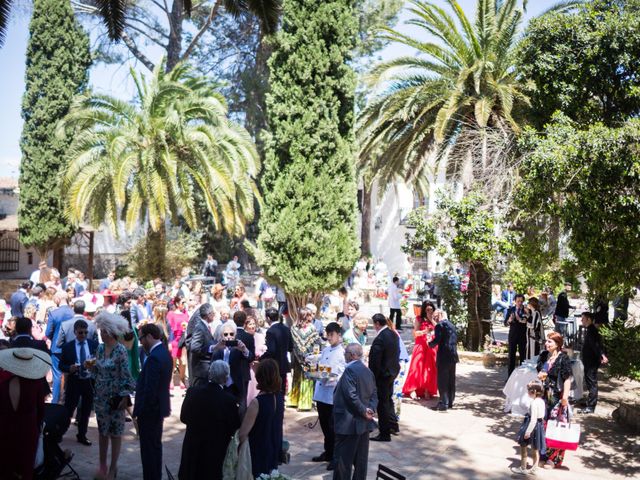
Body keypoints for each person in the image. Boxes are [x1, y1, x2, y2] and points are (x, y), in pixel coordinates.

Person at [178, 361, 241, 480]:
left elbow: (184, 417)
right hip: (215, 453)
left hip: (192, 448)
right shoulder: (229, 400)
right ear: (226, 378)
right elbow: (234, 427)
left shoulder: (192, 392)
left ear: (210, 373)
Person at [92, 312, 136, 480]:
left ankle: (113, 467)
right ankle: (102, 465)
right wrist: (91, 368)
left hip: (116, 399)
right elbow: (97, 370)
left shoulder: (121, 351)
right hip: (100, 398)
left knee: (116, 434)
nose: (101, 334)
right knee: (102, 433)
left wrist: (125, 398)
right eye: (101, 331)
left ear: (111, 332)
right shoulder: (100, 348)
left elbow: (127, 376)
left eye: (103, 331)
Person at [0, 347, 50, 480]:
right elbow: (41, 411)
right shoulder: (36, 384)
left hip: (5, 430)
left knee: (6, 468)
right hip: (28, 431)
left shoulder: (3, 384)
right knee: (26, 470)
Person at [133, 324, 173, 480]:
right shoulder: (163, 352)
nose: (141, 342)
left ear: (149, 336)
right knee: (155, 447)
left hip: (150, 411)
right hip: (158, 409)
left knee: (149, 450)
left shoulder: (155, 357)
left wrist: (140, 411)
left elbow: (150, 389)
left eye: (142, 338)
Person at [332, 343, 377, 480]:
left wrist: (364, 411)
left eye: (346, 353)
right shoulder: (367, 371)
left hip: (349, 423)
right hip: (363, 422)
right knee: (361, 460)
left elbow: (351, 396)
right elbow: (374, 394)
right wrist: (371, 409)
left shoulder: (349, 371)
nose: (344, 355)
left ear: (352, 355)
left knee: (343, 460)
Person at [239, 359, 285, 479]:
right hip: (274, 447)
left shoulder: (257, 402)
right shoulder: (279, 397)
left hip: (259, 450)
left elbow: (243, 433)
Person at [311, 322, 346, 470]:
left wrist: (332, 379)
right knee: (325, 426)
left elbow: (342, 373)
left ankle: (336, 457)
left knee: (333, 427)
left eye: (332, 335)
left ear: (338, 335)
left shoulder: (342, 353)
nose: (329, 337)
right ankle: (328, 451)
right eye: (328, 334)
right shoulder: (326, 350)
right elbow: (321, 368)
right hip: (321, 393)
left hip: (333, 395)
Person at [536, 332, 573, 468]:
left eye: (550, 342)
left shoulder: (563, 358)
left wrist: (565, 397)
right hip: (544, 396)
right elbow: (539, 373)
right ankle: (543, 455)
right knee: (542, 425)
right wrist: (541, 375)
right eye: (547, 341)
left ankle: (553, 459)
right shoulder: (544, 356)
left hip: (557, 397)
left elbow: (567, 378)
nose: (547, 344)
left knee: (555, 427)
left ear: (557, 344)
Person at [60, 319, 98, 446]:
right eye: (81, 332)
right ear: (75, 332)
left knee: (86, 410)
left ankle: (82, 434)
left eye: (85, 332)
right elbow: (61, 365)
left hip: (88, 381)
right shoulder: (68, 347)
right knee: (69, 408)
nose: (83, 335)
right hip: (74, 380)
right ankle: (60, 432)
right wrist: (68, 368)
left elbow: (98, 360)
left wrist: (94, 365)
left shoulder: (93, 344)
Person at [368, 313, 399, 441]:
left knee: (382, 404)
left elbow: (375, 361)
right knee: (388, 400)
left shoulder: (381, 338)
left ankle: (384, 433)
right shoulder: (392, 334)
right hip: (391, 373)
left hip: (382, 375)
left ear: (377, 324)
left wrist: (371, 377)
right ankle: (392, 425)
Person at [211, 321, 252, 414]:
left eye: (231, 334)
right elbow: (212, 363)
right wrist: (216, 348)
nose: (229, 336)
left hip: (235, 383)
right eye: (225, 334)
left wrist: (244, 350)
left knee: (238, 411)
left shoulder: (239, 347)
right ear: (221, 336)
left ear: (235, 335)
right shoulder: (218, 347)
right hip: (221, 384)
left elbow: (250, 357)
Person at [402, 300, 438, 399]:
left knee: (428, 369)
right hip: (420, 345)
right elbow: (415, 333)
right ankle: (412, 389)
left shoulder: (434, 319)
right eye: (427, 309)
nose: (429, 311)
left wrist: (431, 320)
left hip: (430, 347)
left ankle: (427, 390)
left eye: (431, 309)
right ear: (424, 309)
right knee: (416, 367)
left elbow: (439, 329)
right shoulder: (419, 319)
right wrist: (425, 331)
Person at [45, 291, 74, 403]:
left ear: (57, 299)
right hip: (71, 348)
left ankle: (55, 401)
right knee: (71, 375)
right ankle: (69, 400)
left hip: (57, 348)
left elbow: (48, 333)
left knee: (57, 376)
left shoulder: (54, 313)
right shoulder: (73, 313)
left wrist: (54, 339)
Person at [288, 308, 320, 411]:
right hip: (309, 359)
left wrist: (299, 356)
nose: (312, 317)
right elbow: (316, 344)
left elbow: (293, 346)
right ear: (305, 317)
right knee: (307, 379)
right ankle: (305, 403)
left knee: (297, 378)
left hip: (298, 359)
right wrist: (314, 357)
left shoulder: (294, 328)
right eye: (310, 315)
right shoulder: (312, 329)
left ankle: (294, 400)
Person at [512, 381, 546, 475]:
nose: (527, 392)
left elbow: (533, 419)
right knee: (535, 448)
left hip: (531, 425)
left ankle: (523, 467)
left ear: (534, 391)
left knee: (523, 445)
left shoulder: (534, 403)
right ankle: (534, 468)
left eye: (529, 390)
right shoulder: (542, 401)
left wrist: (528, 432)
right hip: (539, 426)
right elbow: (541, 417)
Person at [428, 310, 459, 411]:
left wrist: (429, 343)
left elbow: (437, 340)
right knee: (451, 379)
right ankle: (450, 401)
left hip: (444, 356)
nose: (434, 319)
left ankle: (443, 403)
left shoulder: (440, 326)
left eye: (435, 316)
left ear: (440, 315)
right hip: (453, 355)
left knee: (442, 380)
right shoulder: (452, 325)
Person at [578, 312, 607, 414]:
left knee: (592, 382)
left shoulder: (592, 331)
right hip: (588, 360)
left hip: (591, 361)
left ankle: (591, 406)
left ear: (589, 319)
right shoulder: (590, 330)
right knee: (589, 382)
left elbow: (596, 345)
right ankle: (589, 402)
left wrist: (602, 355)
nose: (581, 320)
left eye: (583, 319)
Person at [261, 307, 293, 394]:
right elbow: (290, 347)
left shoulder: (271, 331)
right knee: (281, 392)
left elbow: (271, 350)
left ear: (268, 318)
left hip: (274, 366)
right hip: (284, 364)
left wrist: (261, 358)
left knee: (273, 391)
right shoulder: (286, 328)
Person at [188, 303, 216, 387]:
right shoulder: (200, 327)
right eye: (213, 313)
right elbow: (195, 347)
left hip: (204, 370)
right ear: (208, 315)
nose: (214, 315)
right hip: (201, 370)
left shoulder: (204, 326)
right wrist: (211, 348)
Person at [168, 296, 189, 390]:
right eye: (182, 303)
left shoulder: (185, 314)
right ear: (177, 304)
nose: (184, 305)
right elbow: (169, 328)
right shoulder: (171, 314)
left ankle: (182, 379)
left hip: (183, 339)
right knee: (172, 361)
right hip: (174, 339)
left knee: (182, 362)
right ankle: (171, 380)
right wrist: (169, 342)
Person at [505, 294, 527, 377]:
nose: (520, 303)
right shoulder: (511, 309)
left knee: (523, 357)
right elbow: (505, 323)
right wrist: (509, 320)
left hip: (522, 336)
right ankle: (510, 377)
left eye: (521, 301)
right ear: (515, 301)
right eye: (518, 301)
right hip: (513, 336)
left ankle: (522, 377)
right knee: (511, 357)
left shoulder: (526, 310)